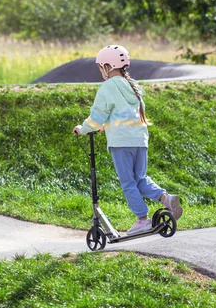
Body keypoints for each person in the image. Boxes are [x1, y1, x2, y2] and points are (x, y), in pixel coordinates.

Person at [73, 45, 183, 235]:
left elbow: (98, 115)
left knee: (128, 182)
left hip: (121, 143)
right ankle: (165, 197)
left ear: (108, 66)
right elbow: (126, 115)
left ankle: (142, 219)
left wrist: (83, 129)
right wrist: (107, 126)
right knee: (140, 178)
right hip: (140, 139)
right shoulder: (133, 86)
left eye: (101, 67)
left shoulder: (107, 87)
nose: (101, 71)